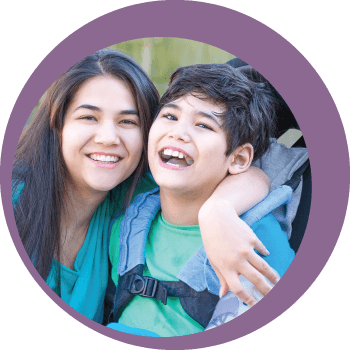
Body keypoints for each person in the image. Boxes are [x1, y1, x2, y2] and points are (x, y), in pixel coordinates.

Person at [11, 50, 277, 325]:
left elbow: (254, 175)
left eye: (128, 121)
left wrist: (218, 210)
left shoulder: (135, 195)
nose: (108, 138)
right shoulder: (15, 199)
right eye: (89, 117)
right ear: (58, 123)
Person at [108, 63, 295, 336]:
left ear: (239, 159)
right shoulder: (126, 223)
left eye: (203, 125)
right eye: (170, 116)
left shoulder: (257, 238)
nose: (178, 133)